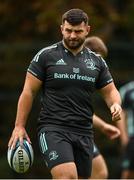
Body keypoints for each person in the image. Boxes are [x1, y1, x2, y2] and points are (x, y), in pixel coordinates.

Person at [8, 8, 122, 179]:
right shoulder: (46, 56)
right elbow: (28, 92)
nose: (72, 36)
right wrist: (19, 126)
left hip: (84, 132)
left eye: (78, 31)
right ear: (62, 28)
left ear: (87, 30)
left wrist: (115, 104)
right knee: (67, 177)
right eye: (68, 30)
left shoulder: (97, 61)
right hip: (54, 129)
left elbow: (110, 91)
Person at [85, 36, 120, 179]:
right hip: (62, 133)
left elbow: (82, 111)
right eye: (99, 59)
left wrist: (104, 126)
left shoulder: (90, 79)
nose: (101, 64)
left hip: (82, 133)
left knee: (100, 173)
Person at [117, 81, 134, 179]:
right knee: (128, 172)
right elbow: (121, 114)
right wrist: (124, 138)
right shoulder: (127, 90)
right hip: (132, 137)